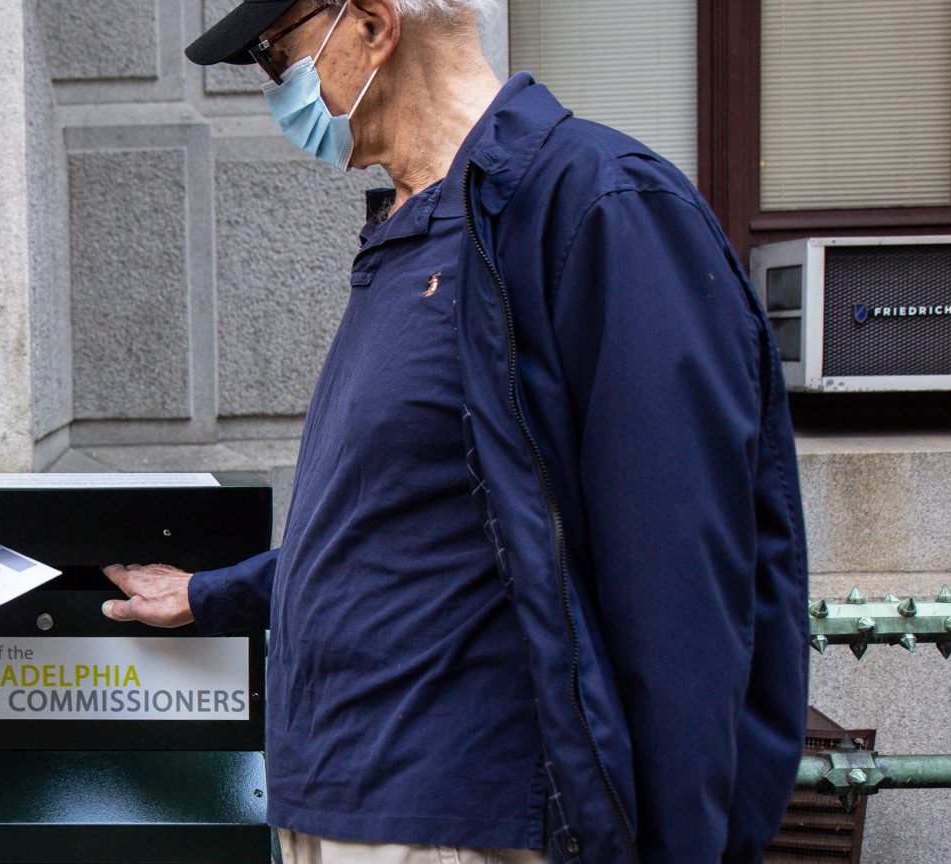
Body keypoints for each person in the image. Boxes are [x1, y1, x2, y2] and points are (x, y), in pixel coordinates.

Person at [100, 2, 809, 862]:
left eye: (274, 58)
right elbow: (410, 523)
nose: (275, 91)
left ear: (371, 24)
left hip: (459, 818)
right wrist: (214, 593)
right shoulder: (418, 226)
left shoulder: (595, 205)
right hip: (345, 802)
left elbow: (682, 588)